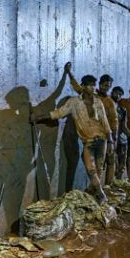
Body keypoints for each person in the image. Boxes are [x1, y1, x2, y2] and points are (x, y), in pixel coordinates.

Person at [35, 72, 112, 202]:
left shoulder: (98, 102)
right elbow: (58, 113)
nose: (93, 88)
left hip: (102, 139)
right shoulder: (74, 102)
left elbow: (105, 121)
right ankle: (101, 194)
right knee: (90, 169)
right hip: (88, 141)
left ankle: (96, 198)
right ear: (83, 86)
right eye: (90, 85)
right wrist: (39, 117)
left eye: (94, 85)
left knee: (99, 170)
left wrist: (111, 140)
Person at [66, 63, 118, 184]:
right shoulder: (92, 95)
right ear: (100, 84)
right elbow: (78, 87)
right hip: (90, 137)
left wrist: (112, 140)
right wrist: (69, 73)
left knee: (101, 166)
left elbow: (114, 122)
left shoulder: (110, 102)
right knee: (91, 164)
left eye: (108, 86)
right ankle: (97, 189)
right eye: (105, 85)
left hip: (104, 137)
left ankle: (101, 191)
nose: (106, 88)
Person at [108, 85, 129, 181]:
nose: (118, 95)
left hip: (122, 140)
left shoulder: (122, 109)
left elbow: (124, 126)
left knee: (121, 166)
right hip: (110, 140)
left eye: (120, 94)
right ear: (112, 92)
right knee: (111, 165)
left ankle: (119, 186)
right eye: (116, 93)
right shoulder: (105, 105)